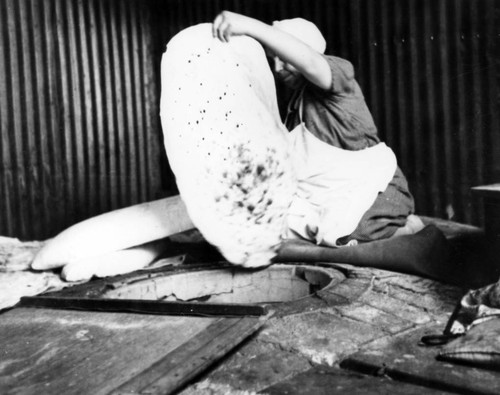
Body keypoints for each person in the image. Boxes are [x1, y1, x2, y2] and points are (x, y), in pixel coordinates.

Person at [212, 11, 424, 246]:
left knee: (345, 236)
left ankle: (404, 229)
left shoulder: (339, 80)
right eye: (273, 59)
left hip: (374, 193)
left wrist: (250, 26)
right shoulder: (294, 107)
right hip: (326, 197)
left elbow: (312, 63)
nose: (278, 67)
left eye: (284, 57)